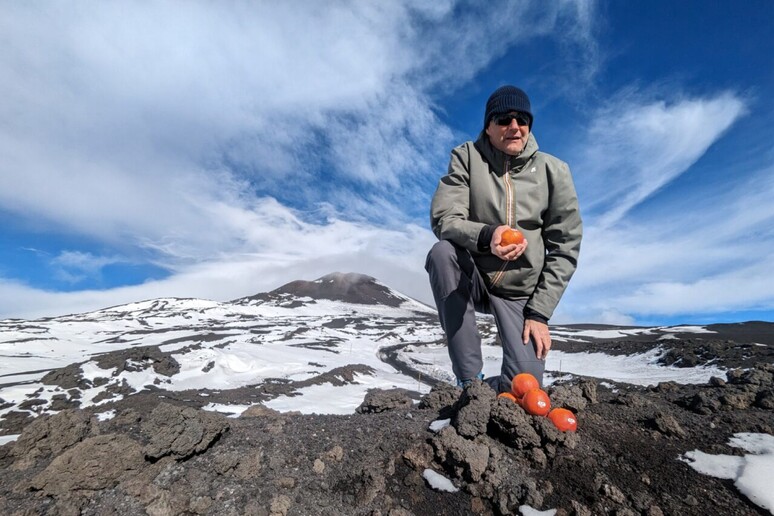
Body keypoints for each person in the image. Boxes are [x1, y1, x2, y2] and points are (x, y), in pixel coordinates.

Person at [426, 85, 582, 392]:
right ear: (488, 125)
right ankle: (470, 383)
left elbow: (565, 246)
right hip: (475, 277)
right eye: (504, 119)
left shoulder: (555, 171)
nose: (515, 127)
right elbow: (446, 218)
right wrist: (486, 234)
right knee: (442, 253)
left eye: (522, 119)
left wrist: (539, 312)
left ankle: (500, 388)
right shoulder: (467, 157)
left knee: (524, 390)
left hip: (521, 295)